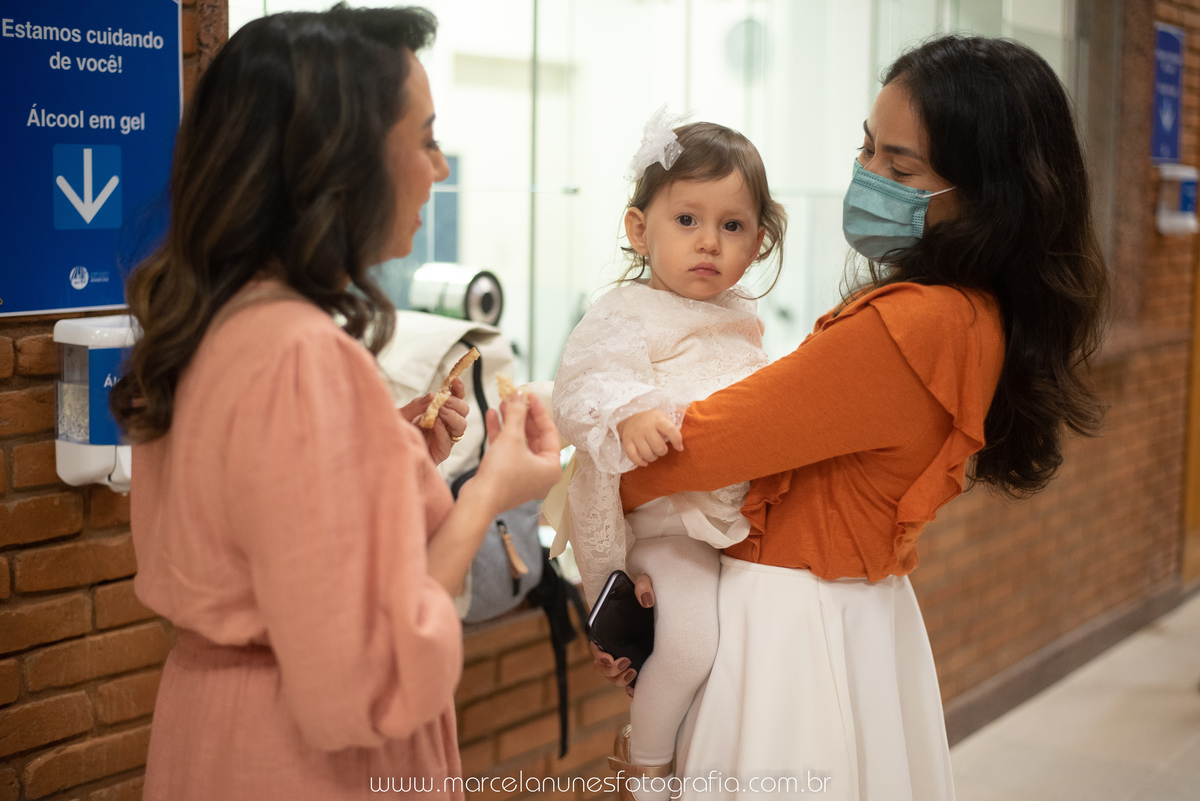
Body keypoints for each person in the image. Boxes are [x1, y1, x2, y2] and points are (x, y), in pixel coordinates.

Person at [592, 35, 1110, 801]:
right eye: (867, 150)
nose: (868, 176)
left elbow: (694, 449)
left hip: (788, 627)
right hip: (850, 614)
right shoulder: (975, 314)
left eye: (900, 169)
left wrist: (592, 485)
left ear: (988, 192)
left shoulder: (910, 325)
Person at [109, 7, 562, 801]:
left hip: (212, 736)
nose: (440, 167)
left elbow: (255, 527)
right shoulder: (302, 354)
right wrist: (490, 491)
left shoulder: (206, 322)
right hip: (302, 763)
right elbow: (365, 675)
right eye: (425, 138)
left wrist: (385, 452)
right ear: (342, 158)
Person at [549, 115, 786, 801]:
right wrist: (630, 412)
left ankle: (687, 757)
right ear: (638, 228)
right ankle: (645, 768)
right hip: (664, 528)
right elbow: (583, 382)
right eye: (686, 219)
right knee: (688, 646)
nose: (709, 241)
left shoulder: (743, 320)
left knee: (732, 662)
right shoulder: (626, 311)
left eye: (732, 226)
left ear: (757, 243)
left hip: (724, 526)